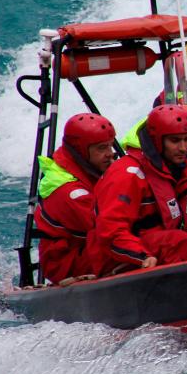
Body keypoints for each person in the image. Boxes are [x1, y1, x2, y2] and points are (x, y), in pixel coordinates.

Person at [87, 105, 187, 275]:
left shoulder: (180, 170)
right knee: (179, 242)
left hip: (155, 243)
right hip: (122, 256)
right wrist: (141, 255)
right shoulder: (126, 174)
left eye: (186, 139)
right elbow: (110, 232)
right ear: (158, 141)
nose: (183, 148)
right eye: (175, 141)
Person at [35, 113, 117, 284]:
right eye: (102, 148)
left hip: (85, 246)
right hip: (66, 262)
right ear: (81, 151)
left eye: (110, 146)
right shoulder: (69, 192)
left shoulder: (84, 166)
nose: (110, 154)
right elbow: (109, 227)